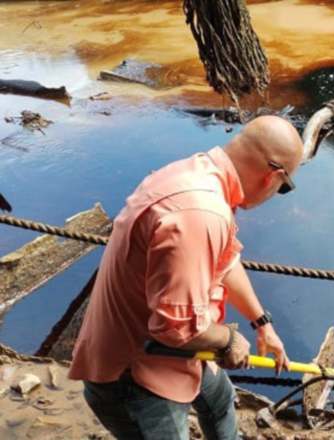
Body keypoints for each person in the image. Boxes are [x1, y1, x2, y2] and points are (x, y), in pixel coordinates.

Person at [69, 115, 304, 439]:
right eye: (285, 187)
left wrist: (262, 323)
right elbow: (174, 328)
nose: (279, 191)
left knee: (221, 400)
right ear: (272, 177)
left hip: (175, 348)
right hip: (134, 372)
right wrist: (229, 339)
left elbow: (226, 260)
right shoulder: (200, 213)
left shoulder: (200, 176)